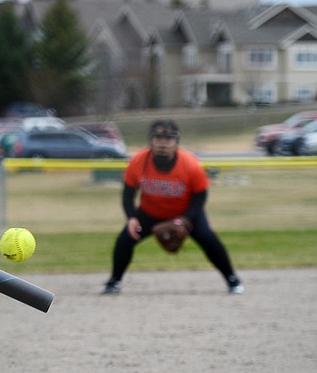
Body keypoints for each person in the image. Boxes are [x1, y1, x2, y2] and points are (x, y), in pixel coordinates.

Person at [102, 119, 243, 295]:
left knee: (209, 239)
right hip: (150, 212)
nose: (163, 143)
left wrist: (186, 219)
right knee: (124, 241)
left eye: (168, 139)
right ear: (150, 140)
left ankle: (232, 279)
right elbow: (128, 195)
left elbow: (200, 196)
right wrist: (132, 218)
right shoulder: (138, 162)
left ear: (176, 142)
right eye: (158, 138)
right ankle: (114, 281)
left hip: (185, 212)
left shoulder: (190, 164)